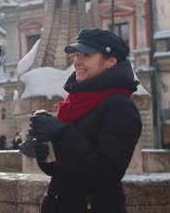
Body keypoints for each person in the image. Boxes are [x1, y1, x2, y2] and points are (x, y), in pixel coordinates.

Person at [29, 28, 142, 213]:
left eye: (86, 56)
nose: (77, 62)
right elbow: (61, 171)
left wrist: (61, 133)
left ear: (111, 61)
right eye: (77, 55)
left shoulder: (121, 107)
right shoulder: (75, 101)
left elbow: (105, 174)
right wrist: (44, 150)